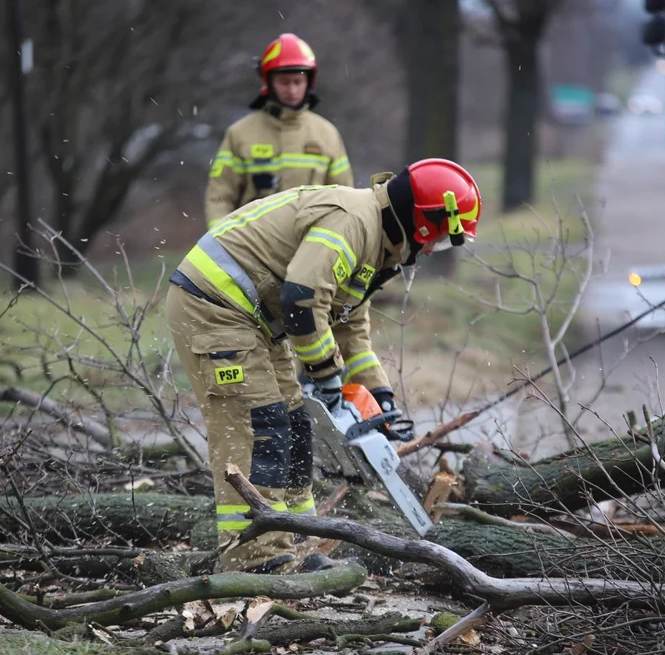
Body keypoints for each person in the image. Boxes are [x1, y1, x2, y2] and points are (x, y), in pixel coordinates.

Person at [166, 158, 482, 574]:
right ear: (423, 224)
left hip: (256, 321)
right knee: (258, 427)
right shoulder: (354, 223)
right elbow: (301, 297)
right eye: (438, 241)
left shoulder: (378, 243)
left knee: (296, 427)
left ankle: (297, 543)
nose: (429, 252)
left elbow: (350, 326)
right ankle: (254, 560)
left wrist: (378, 395)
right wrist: (326, 376)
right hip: (215, 307)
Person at [204, 32, 355, 228]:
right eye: (284, 82)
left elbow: (345, 199)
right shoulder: (239, 134)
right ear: (269, 82)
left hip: (310, 248)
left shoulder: (327, 135)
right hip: (253, 248)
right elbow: (220, 197)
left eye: (298, 82)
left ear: (309, 82)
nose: (292, 90)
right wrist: (222, 243)